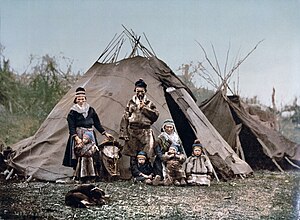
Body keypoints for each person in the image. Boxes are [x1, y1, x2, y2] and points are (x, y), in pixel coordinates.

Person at [63, 87, 113, 180]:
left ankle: (92, 175)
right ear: (76, 99)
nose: (81, 101)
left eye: (82, 99)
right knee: (80, 154)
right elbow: (71, 127)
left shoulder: (91, 110)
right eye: (79, 99)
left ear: (85, 99)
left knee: (92, 153)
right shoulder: (72, 112)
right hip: (79, 134)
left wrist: (105, 133)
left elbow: (97, 123)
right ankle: (79, 175)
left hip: (90, 134)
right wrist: (76, 138)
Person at [119, 78, 159, 172]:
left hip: (145, 131)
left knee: (146, 152)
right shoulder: (131, 102)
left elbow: (155, 116)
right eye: (138, 91)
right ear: (135, 90)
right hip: (132, 131)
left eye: (142, 91)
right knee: (133, 153)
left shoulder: (149, 103)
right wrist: (124, 133)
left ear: (145, 91)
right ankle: (135, 173)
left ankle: (146, 172)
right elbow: (125, 117)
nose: (140, 93)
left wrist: (144, 108)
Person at [153, 119, 184, 184]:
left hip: (174, 157)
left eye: (170, 127)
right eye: (167, 127)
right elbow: (158, 151)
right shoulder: (160, 139)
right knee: (160, 169)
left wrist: (179, 156)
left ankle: (175, 179)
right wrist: (164, 157)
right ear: (164, 128)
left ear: (173, 128)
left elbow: (181, 151)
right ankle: (161, 179)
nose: (169, 129)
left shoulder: (177, 139)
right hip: (163, 158)